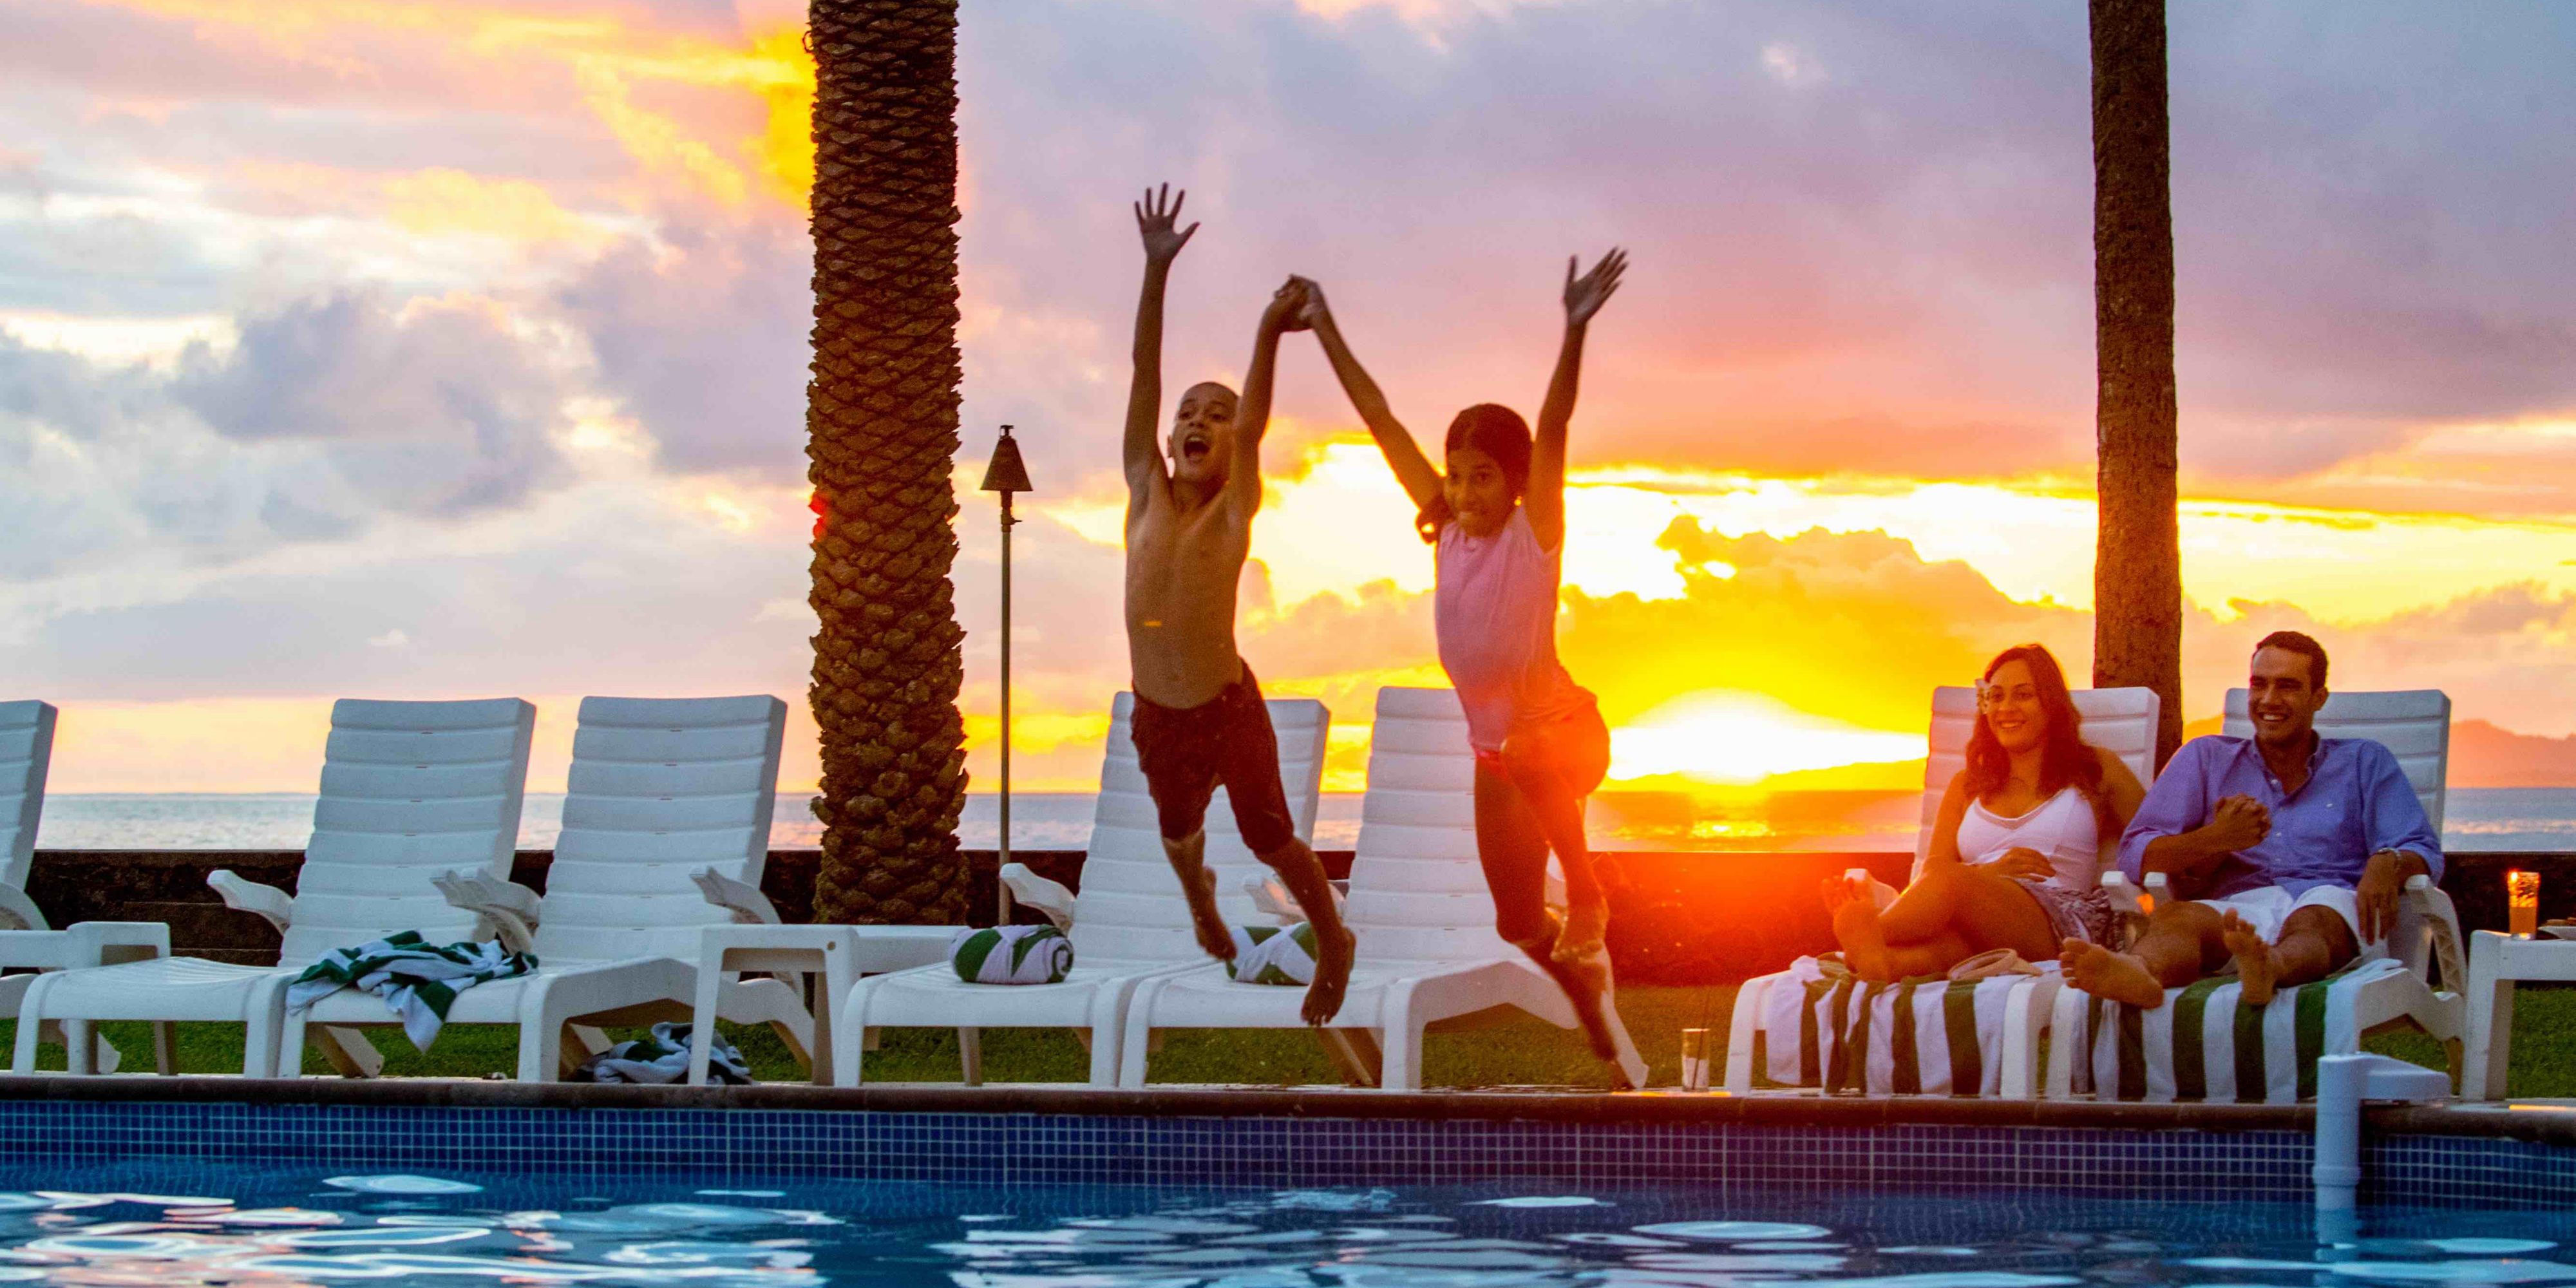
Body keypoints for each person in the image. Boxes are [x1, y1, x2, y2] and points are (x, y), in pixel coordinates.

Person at [1293, 249, 1636, 1080]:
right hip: (1502, 761)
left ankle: (1588, 891)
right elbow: (1378, 417)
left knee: (1527, 747)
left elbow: (1555, 426)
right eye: (1456, 475)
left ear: (1516, 482)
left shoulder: (1533, 534)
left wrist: (1573, 328)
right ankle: (1583, 988)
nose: (1465, 490)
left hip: (1568, 734)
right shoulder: (1446, 531)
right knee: (1516, 923)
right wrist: (1323, 325)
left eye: (1483, 477)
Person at [1120, 184, 1354, 1026]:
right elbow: (1145, 374)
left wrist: (1267, 330)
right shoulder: (1144, 493)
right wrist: (1156, 270)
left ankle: (1333, 939)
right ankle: (1200, 901)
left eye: (1216, 416)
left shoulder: (1230, 515)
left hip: (1227, 708)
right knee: (1177, 833)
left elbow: (1254, 427)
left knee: (1271, 835)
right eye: (1189, 413)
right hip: (1160, 714)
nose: (1198, 421)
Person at [2061, 631, 2442, 1009]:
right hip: (2238, 908)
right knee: (2177, 917)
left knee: (2315, 919)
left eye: (2287, 686)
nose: (2269, 699)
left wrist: (2388, 861)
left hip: (2331, 902)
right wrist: (2218, 837)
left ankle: (2270, 966)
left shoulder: (2363, 762)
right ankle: (2141, 971)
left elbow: (2421, 848)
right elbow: (2136, 854)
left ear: (2319, 697)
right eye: (2259, 684)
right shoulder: (2206, 758)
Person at [1820, 644, 2147, 983]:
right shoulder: (1967, 784)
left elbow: (2151, 841)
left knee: (1949, 880)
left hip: (2060, 922)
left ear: (2051, 704)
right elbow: (1932, 867)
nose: (2006, 708)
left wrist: (2154, 904)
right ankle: (1882, 961)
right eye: (1996, 697)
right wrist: (1987, 873)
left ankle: (1871, 933)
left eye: (2023, 695)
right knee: (1952, 947)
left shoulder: (2095, 769)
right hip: (1976, 924)